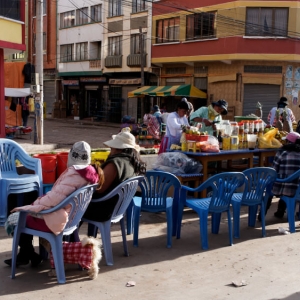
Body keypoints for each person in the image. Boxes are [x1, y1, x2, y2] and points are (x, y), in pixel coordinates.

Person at [4, 141, 104, 267]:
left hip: (56, 220)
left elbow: (53, 200)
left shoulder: (74, 175)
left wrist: (31, 206)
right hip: (71, 218)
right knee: (26, 209)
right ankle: (28, 254)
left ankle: (26, 253)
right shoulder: (90, 174)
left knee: (15, 218)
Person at [82, 128, 146, 229]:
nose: (110, 150)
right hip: (117, 208)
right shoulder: (132, 163)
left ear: (119, 148)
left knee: (72, 207)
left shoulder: (115, 164)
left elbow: (99, 189)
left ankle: (64, 241)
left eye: (112, 148)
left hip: (103, 209)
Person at [259, 132, 300, 221]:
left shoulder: (282, 153)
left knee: (271, 184)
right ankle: (280, 211)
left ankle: (262, 215)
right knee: (287, 182)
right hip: (297, 189)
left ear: (288, 142)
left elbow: (273, 171)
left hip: (284, 187)